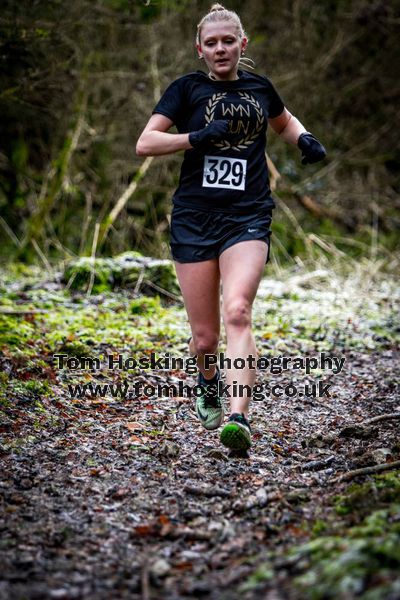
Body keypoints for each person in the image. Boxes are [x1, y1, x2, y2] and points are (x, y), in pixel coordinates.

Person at [136, 3, 326, 454]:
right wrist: (194, 137)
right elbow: (145, 143)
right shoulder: (185, 89)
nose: (220, 49)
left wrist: (304, 139)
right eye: (211, 43)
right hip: (195, 218)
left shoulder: (260, 87)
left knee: (238, 310)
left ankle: (238, 417)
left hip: (248, 214)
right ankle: (207, 380)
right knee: (205, 339)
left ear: (243, 44)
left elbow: (283, 121)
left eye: (228, 41)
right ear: (199, 49)